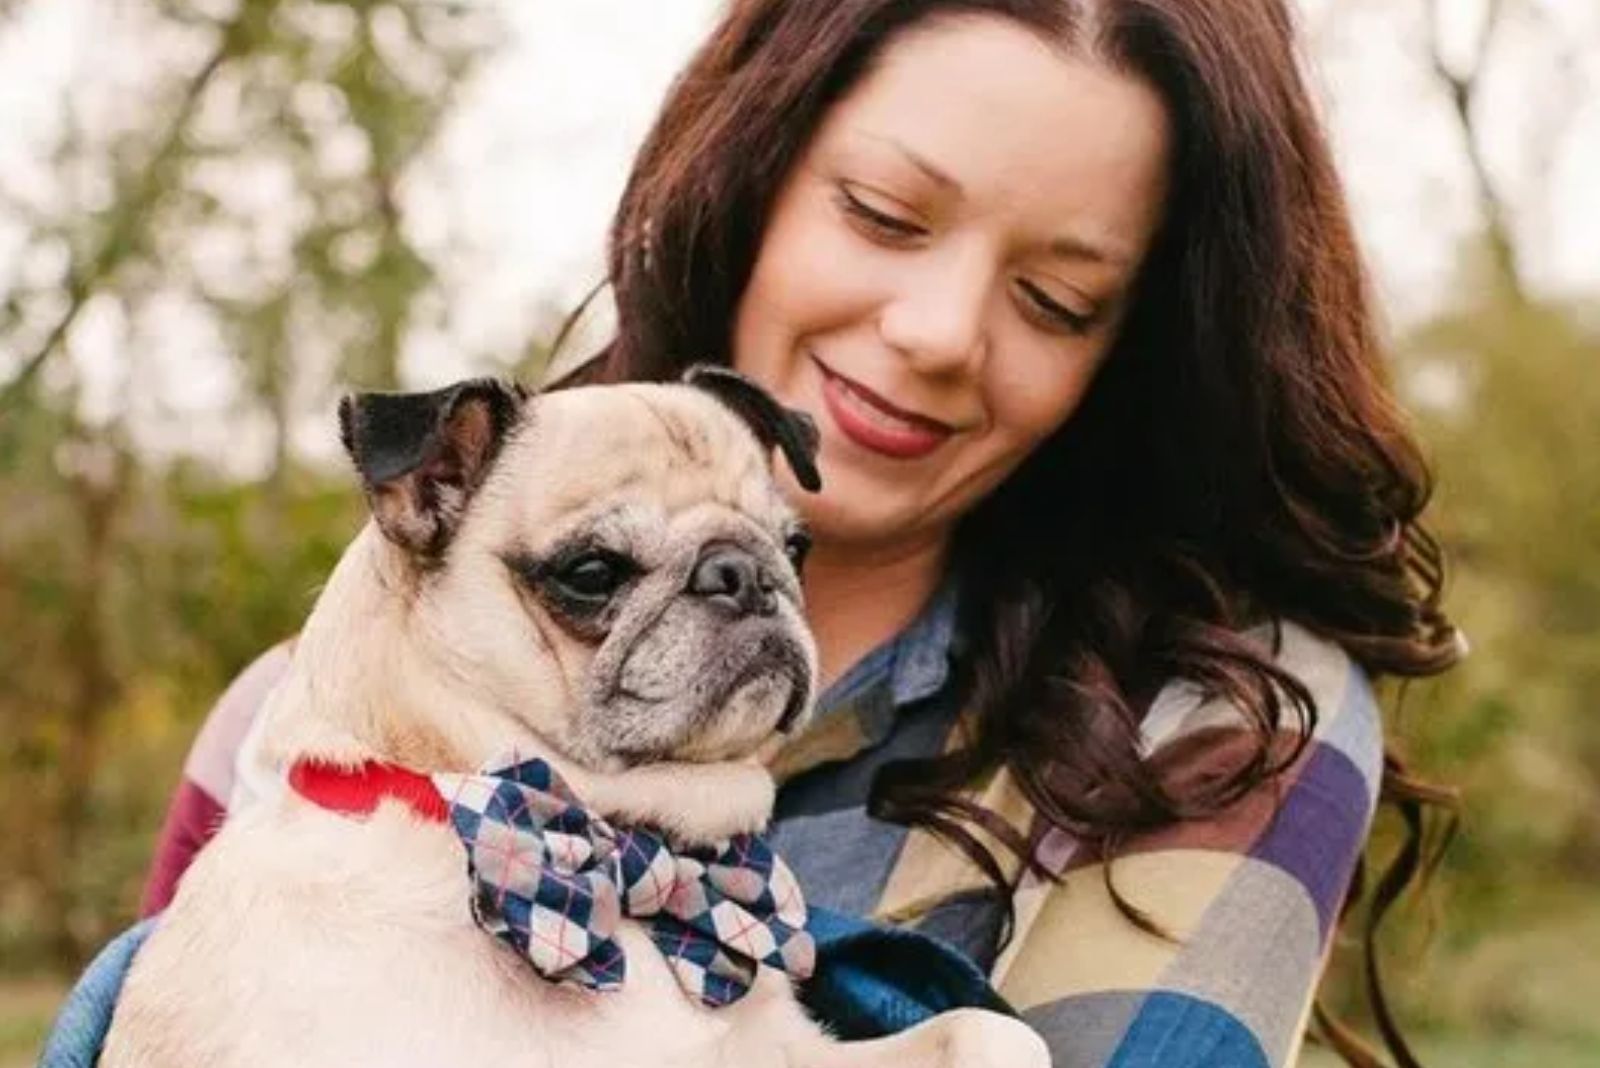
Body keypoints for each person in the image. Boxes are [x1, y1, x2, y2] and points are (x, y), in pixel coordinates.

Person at [125, 1, 1460, 1065]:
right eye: (883, 215)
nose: (938, 331)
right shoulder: (280, 743)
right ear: (751, 173)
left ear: (1133, 352)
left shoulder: (1225, 721)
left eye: (1056, 298)